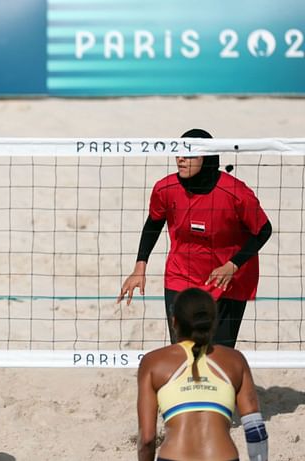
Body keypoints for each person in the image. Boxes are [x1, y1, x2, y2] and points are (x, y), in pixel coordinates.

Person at [117, 128, 272, 347]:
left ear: (206, 158)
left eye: (190, 154)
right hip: (181, 275)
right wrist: (140, 266)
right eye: (179, 152)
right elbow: (153, 223)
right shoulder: (166, 188)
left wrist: (233, 265)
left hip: (226, 279)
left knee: (219, 355)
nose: (181, 158)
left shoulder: (236, 193)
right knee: (182, 350)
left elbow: (264, 230)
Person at [137, 287, 268, 461]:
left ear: (174, 322)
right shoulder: (235, 361)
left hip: (174, 456)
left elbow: (147, 439)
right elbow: (256, 431)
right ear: (213, 322)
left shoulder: (153, 362)